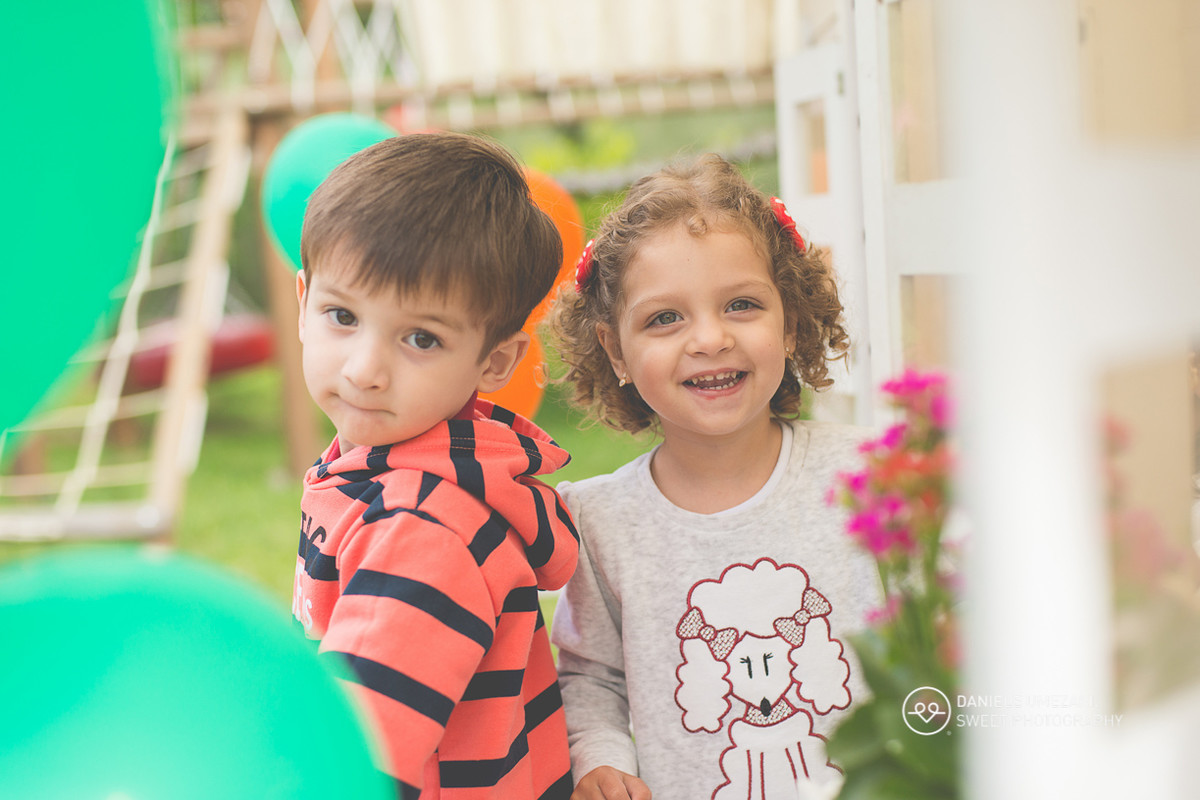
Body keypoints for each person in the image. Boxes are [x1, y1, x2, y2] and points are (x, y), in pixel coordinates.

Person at [548, 154, 880, 800]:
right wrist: (601, 757)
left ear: (789, 322)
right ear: (615, 351)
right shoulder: (600, 524)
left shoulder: (863, 477)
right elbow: (590, 678)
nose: (709, 338)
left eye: (742, 305)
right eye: (664, 319)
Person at [291, 132, 579, 799]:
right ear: (303, 300)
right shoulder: (383, 466)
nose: (365, 370)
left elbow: (358, 762)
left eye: (421, 338)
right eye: (342, 315)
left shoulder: (420, 531)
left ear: (496, 362)